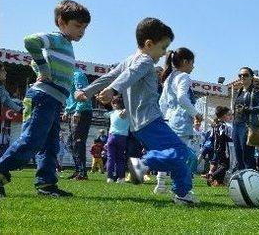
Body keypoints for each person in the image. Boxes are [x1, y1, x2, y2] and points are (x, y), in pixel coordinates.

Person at [77, 17, 197, 205]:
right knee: (181, 151)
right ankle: (142, 165)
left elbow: (109, 76)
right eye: (163, 47)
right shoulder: (146, 61)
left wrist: (87, 91)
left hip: (138, 125)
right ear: (149, 44)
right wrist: (113, 90)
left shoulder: (128, 60)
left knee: (177, 155)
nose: (164, 53)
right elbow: (128, 76)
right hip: (150, 121)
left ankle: (183, 194)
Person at [0, 0, 90, 198]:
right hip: (42, 97)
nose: (81, 31)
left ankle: (47, 184)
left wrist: (41, 67)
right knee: (31, 140)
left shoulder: (66, 45)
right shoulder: (55, 39)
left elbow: (35, 61)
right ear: (61, 22)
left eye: (84, 28)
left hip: (54, 102)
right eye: (77, 26)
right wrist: (42, 68)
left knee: (50, 145)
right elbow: (30, 41)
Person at [155, 47, 203, 194]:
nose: (193, 66)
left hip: (168, 120)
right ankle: (181, 189)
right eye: (192, 63)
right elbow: (182, 98)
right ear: (185, 62)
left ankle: (161, 184)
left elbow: (162, 102)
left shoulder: (169, 78)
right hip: (180, 121)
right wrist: (196, 113)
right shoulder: (184, 77)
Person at [231, 67, 259, 188]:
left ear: (251, 77)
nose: (242, 78)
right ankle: (241, 184)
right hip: (236, 125)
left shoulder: (256, 91)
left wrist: (248, 109)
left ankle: (252, 185)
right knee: (239, 156)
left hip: (247, 126)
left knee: (247, 156)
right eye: (240, 75)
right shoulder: (239, 91)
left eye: (245, 75)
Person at [63, 69, 93, 181]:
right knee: (70, 144)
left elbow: (82, 93)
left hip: (82, 111)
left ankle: (82, 172)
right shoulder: (67, 77)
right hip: (73, 111)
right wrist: (67, 110)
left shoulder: (77, 75)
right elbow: (70, 97)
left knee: (78, 143)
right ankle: (78, 170)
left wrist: (78, 110)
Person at [202, 106, 232, 186]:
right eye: (228, 114)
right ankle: (212, 176)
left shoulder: (215, 125)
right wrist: (231, 139)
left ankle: (219, 182)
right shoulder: (224, 126)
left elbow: (211, 137)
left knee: (221, 164)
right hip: (223, 148)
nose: (229, 117)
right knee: (225, 165)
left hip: (216, 148)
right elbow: (225, 136)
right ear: (224, 116)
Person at [0, 62, 23, 158]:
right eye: (3, 70)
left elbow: (10, 103)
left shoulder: (2, 89)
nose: (5, 73)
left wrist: (23, 110)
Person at [105, 96, 129, 183]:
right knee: (120, 158)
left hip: (112, 136)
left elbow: (105, 114)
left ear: (115, 104)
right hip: (123, 137)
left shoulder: (112, 113)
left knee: (110, 158)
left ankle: (110, 177)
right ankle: (121, 178)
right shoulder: (128, 114)